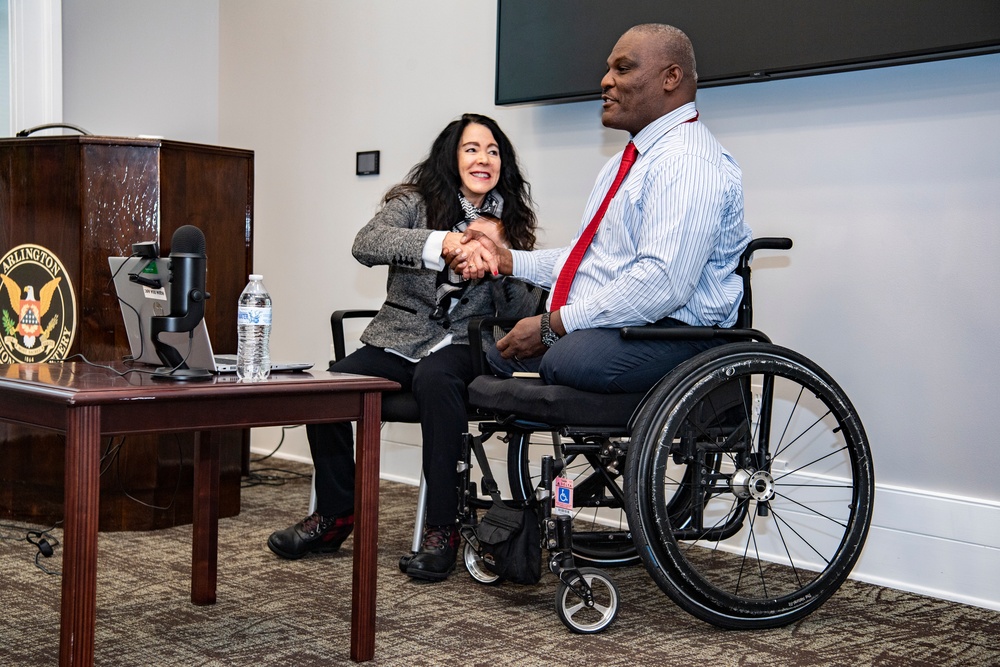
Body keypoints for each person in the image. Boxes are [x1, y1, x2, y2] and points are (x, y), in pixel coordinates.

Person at [267, 114, 539, 582]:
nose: (484, 158)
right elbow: (367, 244)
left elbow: (523, 306)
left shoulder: (510, 219)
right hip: (399, 336)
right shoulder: (413, 202)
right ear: (451, 157)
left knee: (436, 380)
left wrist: (502, 260)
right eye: (472, 148)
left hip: (465, 342)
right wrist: (445, 242)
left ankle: (442, 528)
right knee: (326, 389)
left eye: (493, 151)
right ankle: (335, 516)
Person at [450, 24, 752, 393]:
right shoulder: (626, 162)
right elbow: (589, 259)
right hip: (628, 325)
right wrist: (509, 259)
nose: (605, 80)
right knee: (495, 353)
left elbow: (661, 285)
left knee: (567, 358)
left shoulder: (686, 161)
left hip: (680, 332)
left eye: (622, 69)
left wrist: (553, 325)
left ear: (671, 77)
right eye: (609, 69)